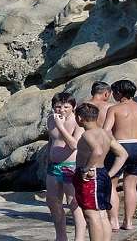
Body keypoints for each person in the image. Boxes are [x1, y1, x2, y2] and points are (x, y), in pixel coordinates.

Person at [103, 80, 137, 231]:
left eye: (114, 92)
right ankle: (128, 222)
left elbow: (106, 130)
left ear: (119, 93)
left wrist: (112, 145)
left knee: (111, 184)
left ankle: (113, 221)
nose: (113, 95)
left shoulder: (114, 109)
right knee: (131, 186)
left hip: (119, 146)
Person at [74, 103, 128, 241]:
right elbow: (123, 154)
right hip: (102, 173)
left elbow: (97, 151)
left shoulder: (87, 134)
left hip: (91, 178)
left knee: (91, 216)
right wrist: (110, 174)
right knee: (102, 214)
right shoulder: (106, 133)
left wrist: (86, 169)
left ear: (80, 118)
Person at [46, 92, 86, 241]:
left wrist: (61, 126)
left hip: (71, 166)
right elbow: (51, 140)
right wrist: (47, 160)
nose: (61, 110)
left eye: (66, 107)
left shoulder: (78, 121)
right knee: (52, 201)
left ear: (73, 107)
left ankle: (79, 238)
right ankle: (60, 237)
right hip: (53, 166)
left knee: (73, 202)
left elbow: (74, 144)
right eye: (58, 107)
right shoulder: (51, 119)